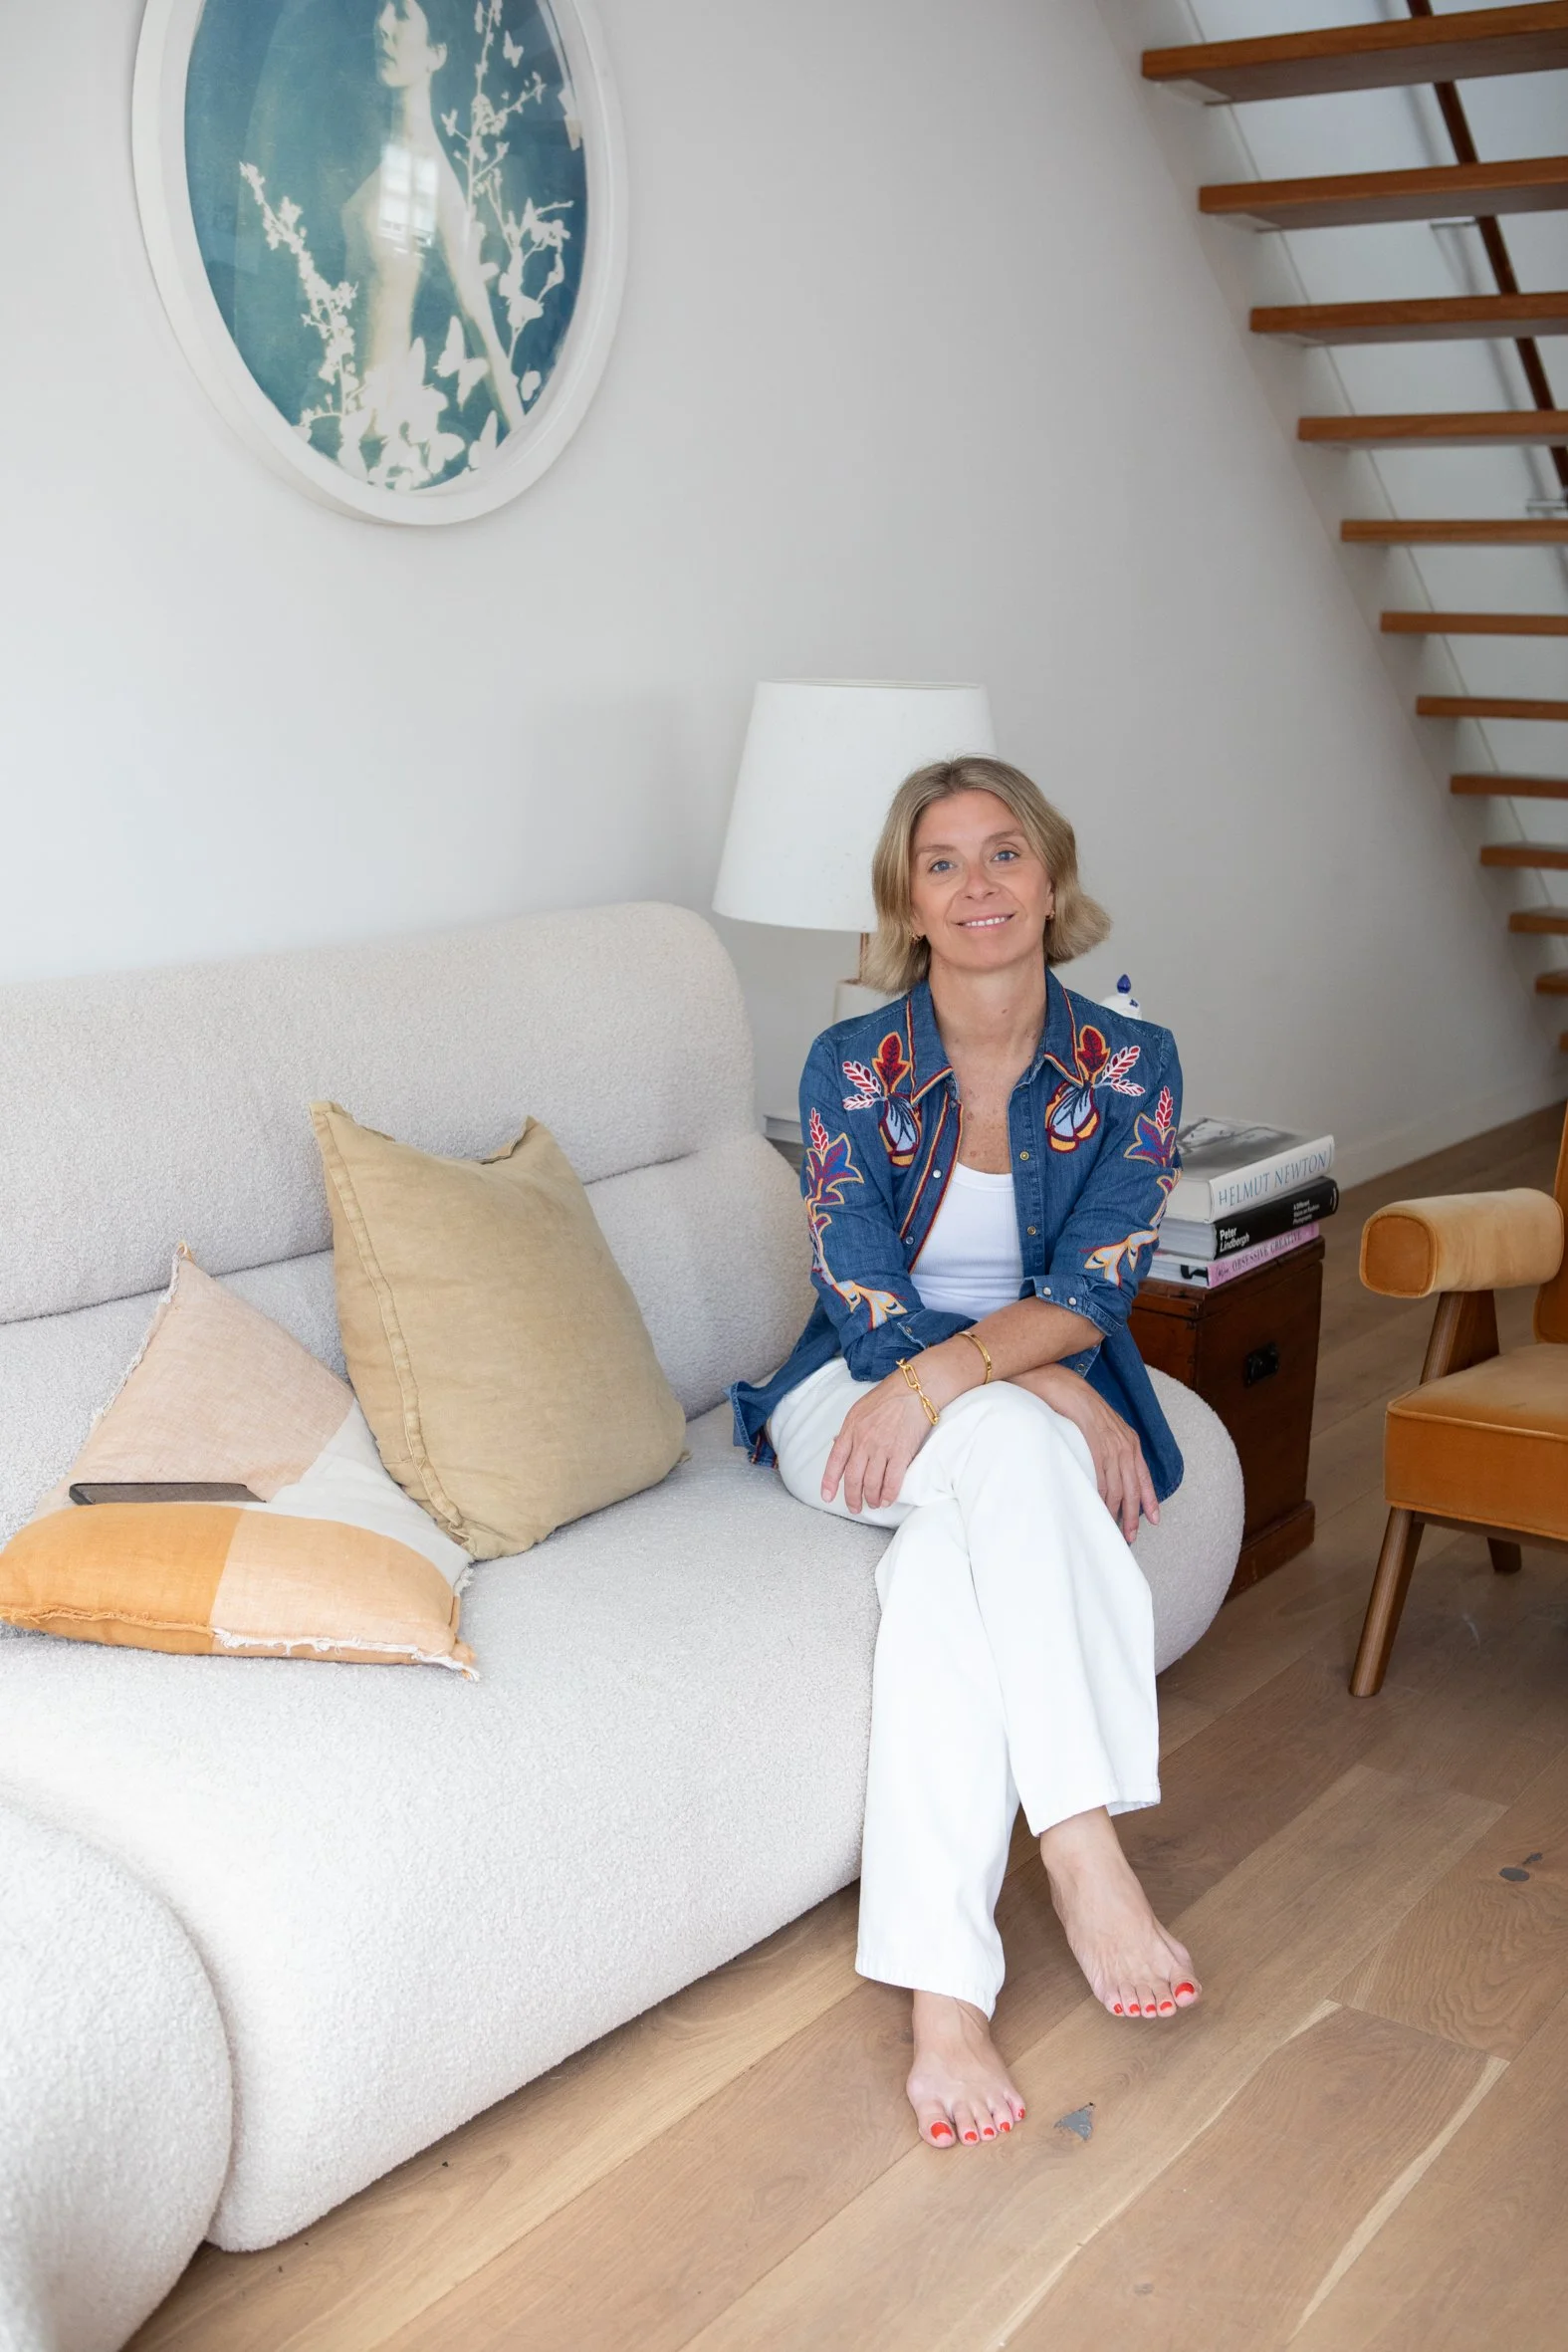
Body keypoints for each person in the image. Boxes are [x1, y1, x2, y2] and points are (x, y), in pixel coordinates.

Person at [732, 756, 1199, 2153]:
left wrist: (1032, 1377)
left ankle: (944, 1999)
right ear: (907, 900)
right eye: (942, 863)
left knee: (945, 1583)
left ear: (1049, 880)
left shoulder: (1130, 1063)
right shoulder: (846, 1067)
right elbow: (862, 1296)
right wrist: (1039, 1387)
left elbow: (1100, 1281)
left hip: (979, 1417)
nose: (977, 885)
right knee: (1003, 1437)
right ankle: (1082, 1844)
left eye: (1003, 854)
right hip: (855, 1405)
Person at [340, 0, 527, 451]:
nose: (381, 24)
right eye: (382, 8)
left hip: (375, 438)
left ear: (436, 54)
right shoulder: (373, 159)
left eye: (402, 12)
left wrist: (527, 448)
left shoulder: (434, 180)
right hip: (333, 413)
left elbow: (484, 335)